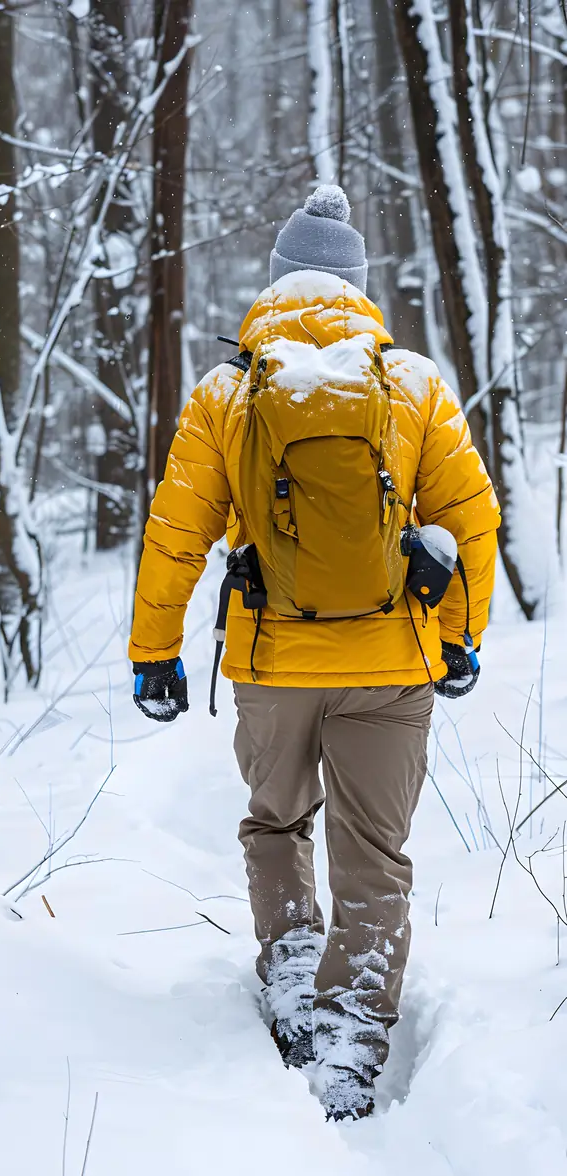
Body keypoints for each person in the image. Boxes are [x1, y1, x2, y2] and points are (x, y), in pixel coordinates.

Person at [129, 186, 500, 1121]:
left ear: (277, 282)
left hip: (272, 664)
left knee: (277, 823)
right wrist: (459, 638)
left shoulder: (231, 389)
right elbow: (472, 520)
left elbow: (177, 532)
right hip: (389, 666)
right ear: (357, 286)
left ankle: (294, 970)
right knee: (375, 855)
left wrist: (156, 651)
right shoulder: (410, 382)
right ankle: (351, 1039)